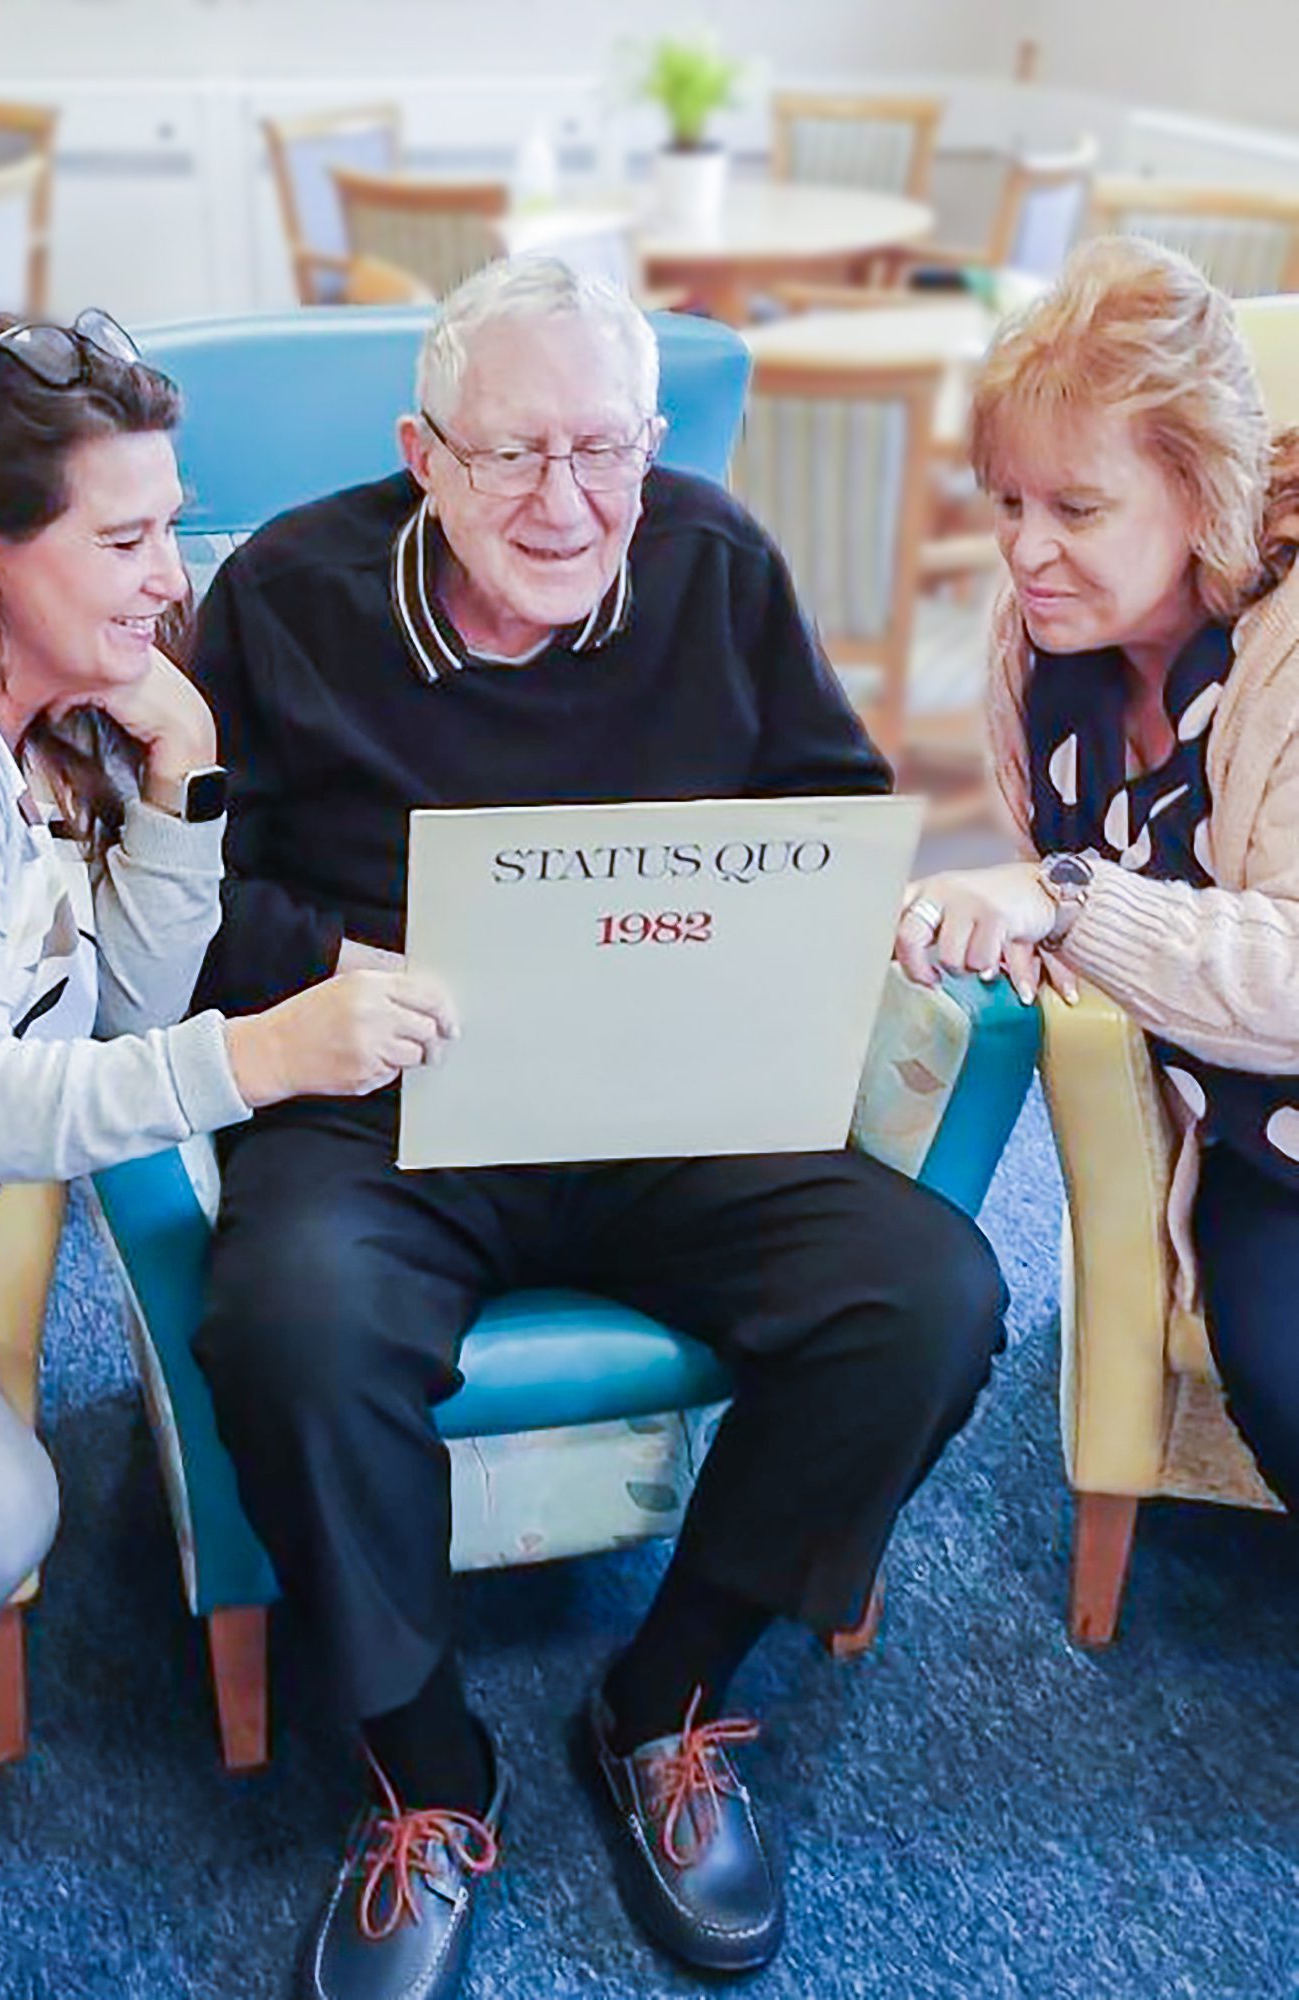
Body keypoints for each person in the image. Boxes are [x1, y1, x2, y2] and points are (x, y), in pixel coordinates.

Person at [189, 257, 1007, 2000]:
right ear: (425, 452)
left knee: (928, 1293)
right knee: (291, 1320)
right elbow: (189, 901)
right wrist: (344, 967)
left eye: (604, 451)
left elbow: (833, 819)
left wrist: (852, 916)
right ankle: (422, 1773)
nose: (565, 503)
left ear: (650, 446)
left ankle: (669, 1700)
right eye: (513, 457)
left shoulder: (716, 561)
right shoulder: (281, 594)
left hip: (665, 1093)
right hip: (384, 1096)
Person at [0, 310, 453, 2000]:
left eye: (172, 525)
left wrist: (186, 776)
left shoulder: (51, 720)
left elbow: (105, 1019)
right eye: (127, 538)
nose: (172, 578)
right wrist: (263, 1055)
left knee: (0, 1513)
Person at [895, 238, 1299, 1508]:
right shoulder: (1039, 650)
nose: (1023, 551)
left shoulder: (1279, 656)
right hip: (1252, 1135)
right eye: (1008, 502)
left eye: (1075, 508)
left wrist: (1060, 896)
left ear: (1202, 491)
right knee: (1279, 1370)